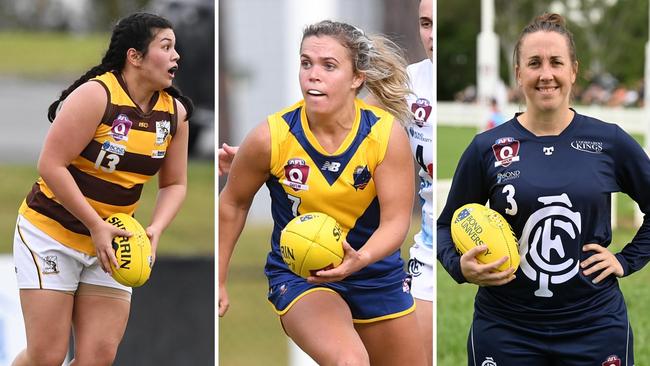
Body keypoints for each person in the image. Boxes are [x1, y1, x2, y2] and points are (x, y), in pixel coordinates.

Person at [438, 13, 650, 365]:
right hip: (505, 327)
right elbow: (446, 225)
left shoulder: (608, 140)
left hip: (594, 325)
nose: (546, 74)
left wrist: (626, 261)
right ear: (519, 73)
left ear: (573, 70)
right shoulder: (486, 147)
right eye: (534, 63)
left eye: (556, 62)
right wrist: (460, 268)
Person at [219, 20, 427, 365]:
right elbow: (233, 203)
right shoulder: (270, 137)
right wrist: (219, 279)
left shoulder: (385, 135)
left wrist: (359, 259)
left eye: (328, 66)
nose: (313, 75)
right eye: (306, 63)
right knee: (349, 362)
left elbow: (395, 223)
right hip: (302, 277)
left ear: (357, 77)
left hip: (375, 274)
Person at [12, 12, 192, 365]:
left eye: (175, 48)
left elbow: (175, 183)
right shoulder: (97, 95)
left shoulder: (175, 113)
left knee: (98, 358)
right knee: (46, 356)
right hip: (51, 234)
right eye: (165, 47)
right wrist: (95, 224)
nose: (176, 56)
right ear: (134, 56)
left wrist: (154, 229)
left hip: (113, 243)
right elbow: (51, 164)